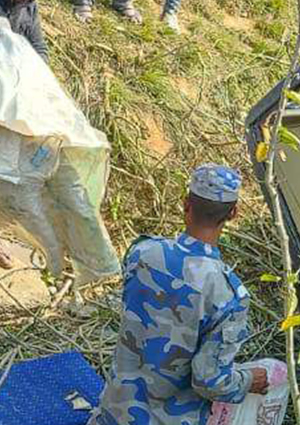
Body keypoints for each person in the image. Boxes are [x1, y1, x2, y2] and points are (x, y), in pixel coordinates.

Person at [88, 165, 270, 425]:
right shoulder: (227, 296)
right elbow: (209, 381)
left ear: (186, 204)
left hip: (114, 414)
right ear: (233, 213)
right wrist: (249, 379)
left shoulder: (143, 253)